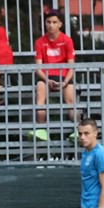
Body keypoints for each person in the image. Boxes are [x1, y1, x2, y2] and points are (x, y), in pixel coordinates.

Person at [29, 9, 77, 142]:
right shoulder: (39, 42)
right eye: (48, 22)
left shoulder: (67, 40)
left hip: (64, 76)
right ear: (45, 23)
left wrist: (65, 82)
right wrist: (47, 80)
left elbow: (72, 66)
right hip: (46, 76)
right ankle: (41, 129)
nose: (51, 25)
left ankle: (77, 130)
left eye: (54, 22)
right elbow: (38, 68)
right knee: (40, 95)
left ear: (60, 24)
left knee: (71, 100)